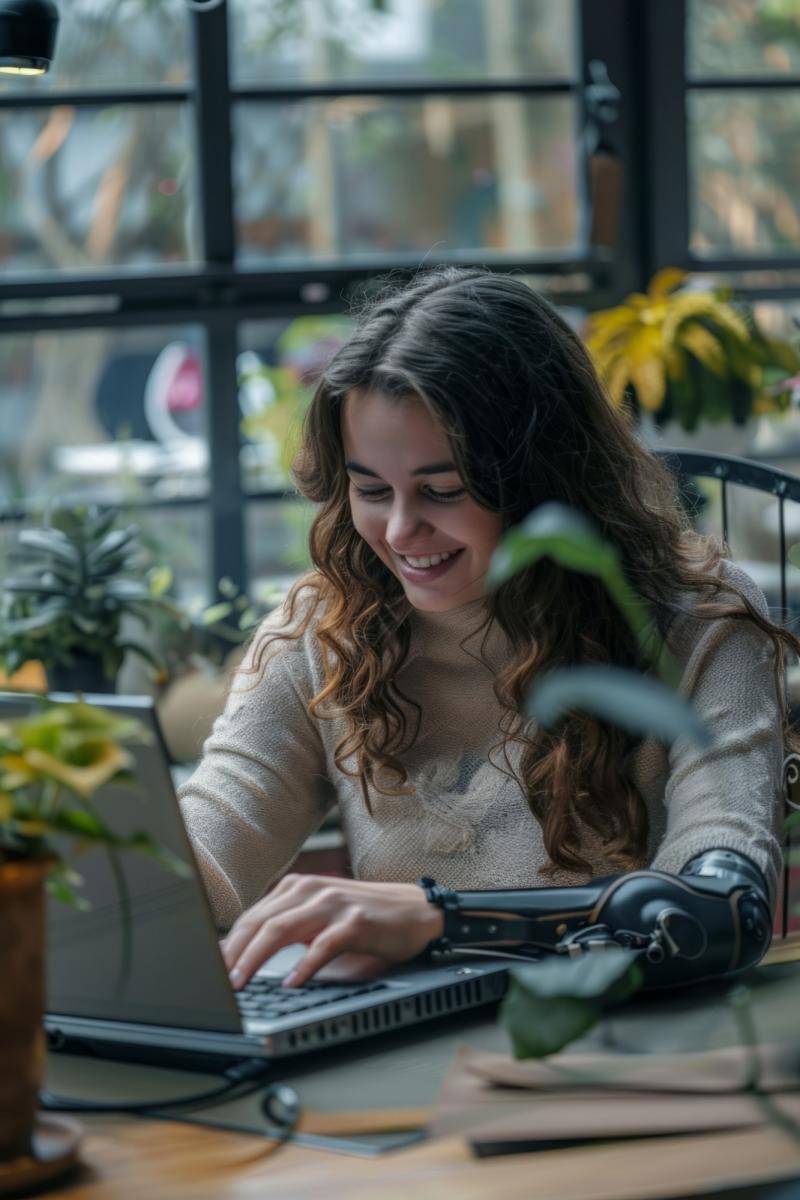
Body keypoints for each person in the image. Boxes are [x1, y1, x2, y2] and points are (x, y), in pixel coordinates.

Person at [178, 267, 798, 993]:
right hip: (405, 1050)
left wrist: (445, 921)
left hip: (631, 1047)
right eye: (370, 489)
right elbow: (206, 858)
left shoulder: (698, 622)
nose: (399, 531)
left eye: (442, 490)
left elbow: (723, 911)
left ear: (543, 478)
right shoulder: (325, 628)